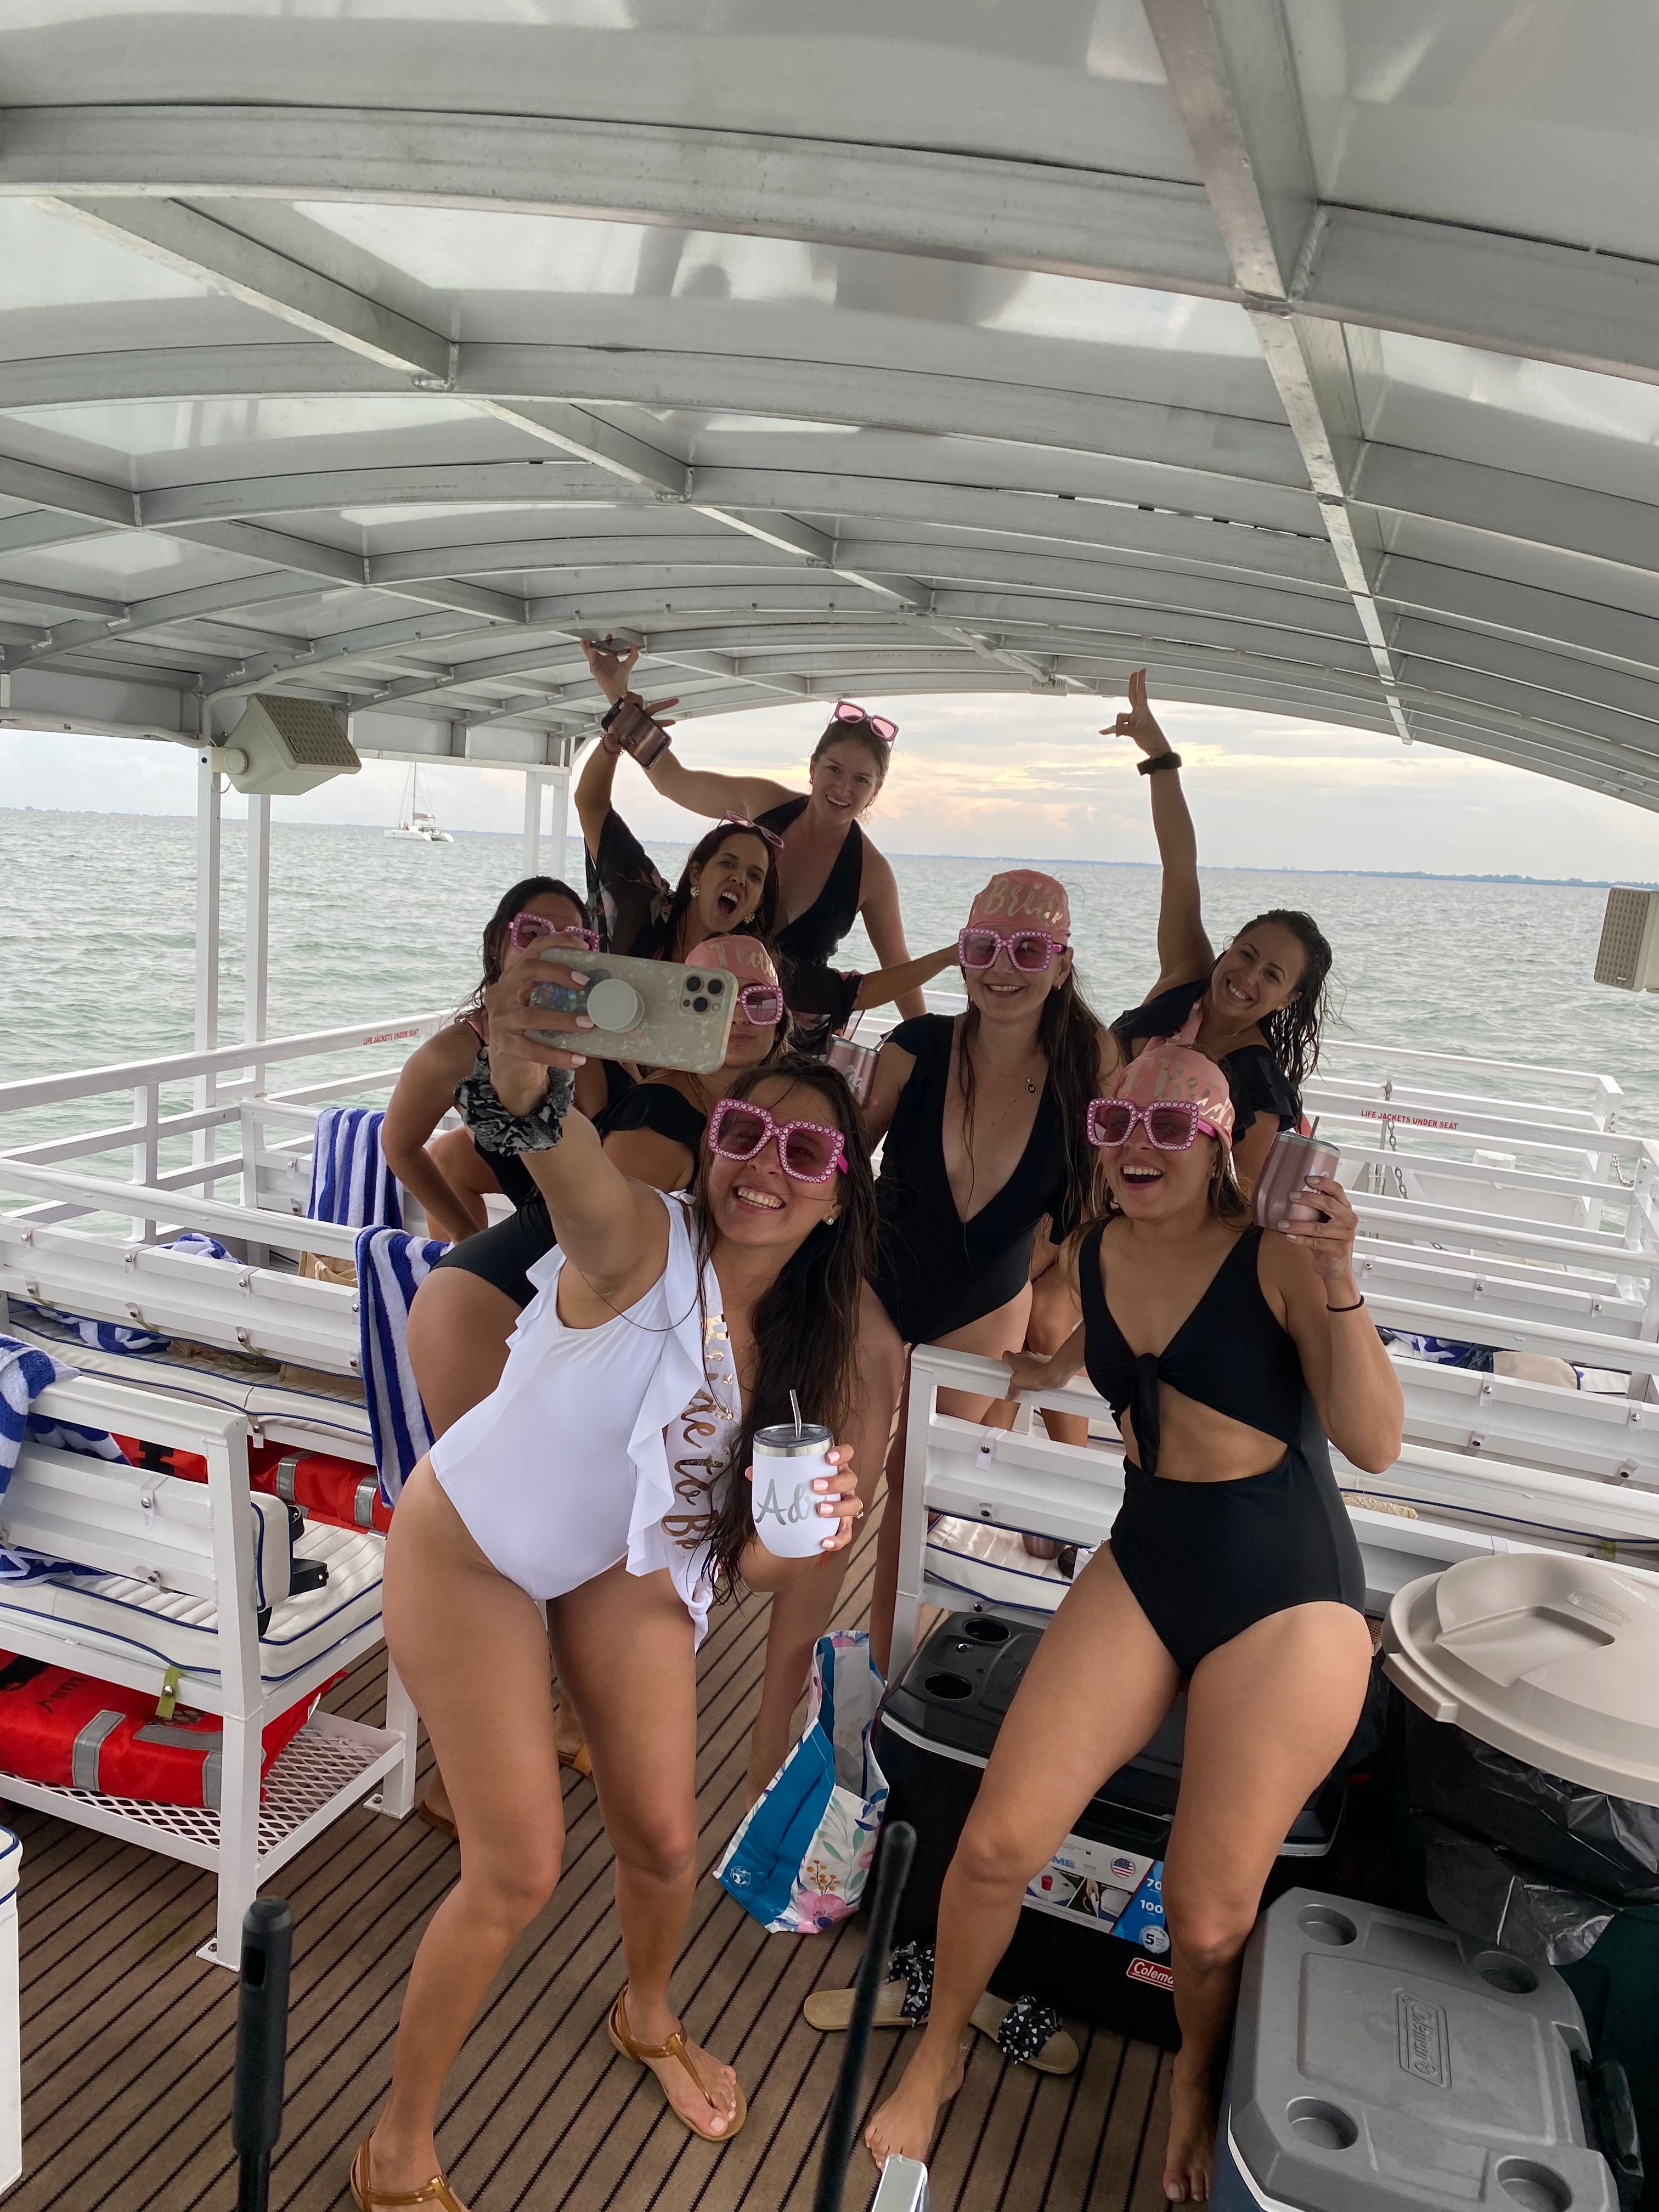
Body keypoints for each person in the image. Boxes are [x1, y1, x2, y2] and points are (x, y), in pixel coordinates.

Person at [351, 949, 905, 2211]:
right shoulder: (642, 1243)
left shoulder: (807, 1358)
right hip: (473, 1545)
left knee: (663, 1838)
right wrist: (523, 1078)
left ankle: (647, 2014)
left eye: (806, 1156)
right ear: (716, 1137)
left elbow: (753, 1562)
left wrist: (812, 1532)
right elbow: (566, 1168)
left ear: (834, 1202)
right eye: (750, 1130)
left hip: (617, 1559)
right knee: (518, 1870)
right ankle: (394, 2143)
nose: (767, 1165)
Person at [865, 1019, 1402, 2203]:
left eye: (1171, 1124)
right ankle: (941, 2051)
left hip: (1287, 1595)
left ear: (1220, 1146)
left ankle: (1196, 2079)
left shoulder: (1272, 1260)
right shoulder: (1096, 1251)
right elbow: (1082, 1344)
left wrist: (1343, 1277)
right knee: (1000, 1839)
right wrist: (1049, 1370)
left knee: (1209, 1921)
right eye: (1116, 1123)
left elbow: (1373, 1440)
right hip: (1150, 1555)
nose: (1136, 1142)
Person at [859, 871, 1111, 1672]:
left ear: (1062, 965)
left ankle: (881, 1670)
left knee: (916, 1489)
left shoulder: (1089, 1068)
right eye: (983, 948)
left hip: (987, 1302)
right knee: (847, 1474)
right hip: (874, 1286)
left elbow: (1122, 1214)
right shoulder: (915, 1048)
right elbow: (828, 1164)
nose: (1005, 967)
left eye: (1030, 949)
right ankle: (800, 1667)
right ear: (961, 959)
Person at [581, 637, 924, 1024]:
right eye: (834, 770)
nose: (844, 788)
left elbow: (897, 968)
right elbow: (671, 779)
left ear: (876, 790)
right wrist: (618, 696)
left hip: (779, 1028)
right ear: (812, 769)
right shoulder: (764, 801)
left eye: (862, 780)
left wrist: (926, 1044)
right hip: (697, 995)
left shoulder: (872, 873)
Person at [1109, 668, 1333, 1190]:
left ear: (1287, 1000)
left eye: (1272, 975)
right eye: (1248, 954)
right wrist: (1158, 754)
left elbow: (1236, 1211)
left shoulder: (1259, 1085)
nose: (1248, 976)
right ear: (1229, 947)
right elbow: (1178, 866)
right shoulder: (1186, 977)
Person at [380, 879, 609, 1245]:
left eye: (574, 939)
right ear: (494, 945)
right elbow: (398, 1144)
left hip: (620, 1226)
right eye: (532, 933)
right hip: (550, 1239)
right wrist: (465, 1233)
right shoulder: (457, 1052)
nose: (552, 948)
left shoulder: (603, 1030)